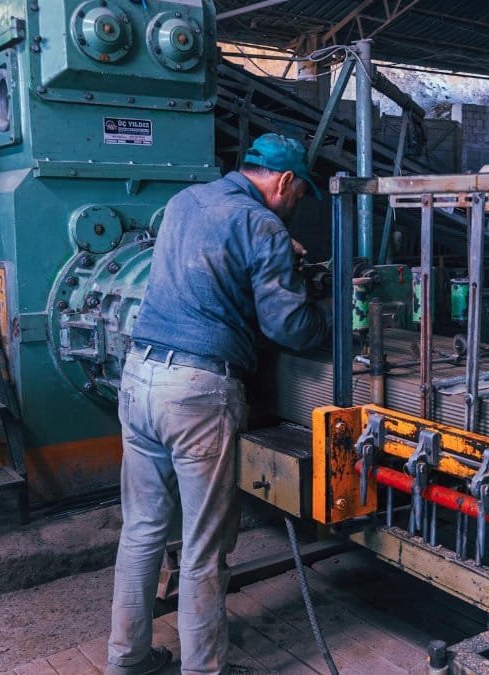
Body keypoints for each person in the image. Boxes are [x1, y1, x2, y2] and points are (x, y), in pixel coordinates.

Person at [106, 133, 330, 675]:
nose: (296, 205)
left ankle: (126, 662)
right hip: (198, 393)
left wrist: (277, 258)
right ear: (284, 182)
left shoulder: (186, 202)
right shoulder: (263, 226)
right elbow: (288, 326)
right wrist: (329, 313)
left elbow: (210, 269)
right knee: (204, 549)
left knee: (141, 531)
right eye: (299, 194)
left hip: (138, 379)